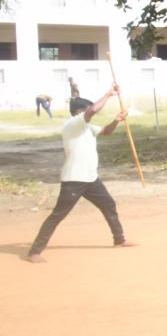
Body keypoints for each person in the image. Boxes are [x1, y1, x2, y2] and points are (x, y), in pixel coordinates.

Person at [25, 84, 136, 263]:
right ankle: (34, 251)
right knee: (58, 215)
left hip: (91, 179)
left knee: (108, 204)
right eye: (86, 111)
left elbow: (106, 131)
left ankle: (119, 239)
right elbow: (92, 110)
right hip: (74, 179)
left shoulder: (87, 127)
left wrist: (116, 120)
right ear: (78, 112)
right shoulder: (73, 124)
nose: (90, 114)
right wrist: (108, 94)